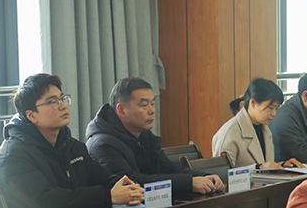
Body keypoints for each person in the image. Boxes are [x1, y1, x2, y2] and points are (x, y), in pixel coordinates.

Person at [0, 74, 144, 208]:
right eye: (53, 102)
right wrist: (108, 197)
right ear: (31, 115)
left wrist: (128, 188)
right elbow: (46, 201)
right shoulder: (12, 156)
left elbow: (102, 178)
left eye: (63, 98)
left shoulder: (72, 146)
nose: (63, 105)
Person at [86, 77, 225, 195]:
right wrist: (189, 183)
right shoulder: (102, 144)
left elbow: (169, 169)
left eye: (152, 103)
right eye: (144, 105)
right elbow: (133, 183)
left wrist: (205, 176)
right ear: (121, 110)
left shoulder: (143, 134)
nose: (152, 110)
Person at [212, 78, 303, 169]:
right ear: (253, 103)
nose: (274, 114)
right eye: (271, 108)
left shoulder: (265, 129)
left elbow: (264, 164)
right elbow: (221, 174)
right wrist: (258, 168)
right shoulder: (230, 133)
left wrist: (281, 165)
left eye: (276, 109)